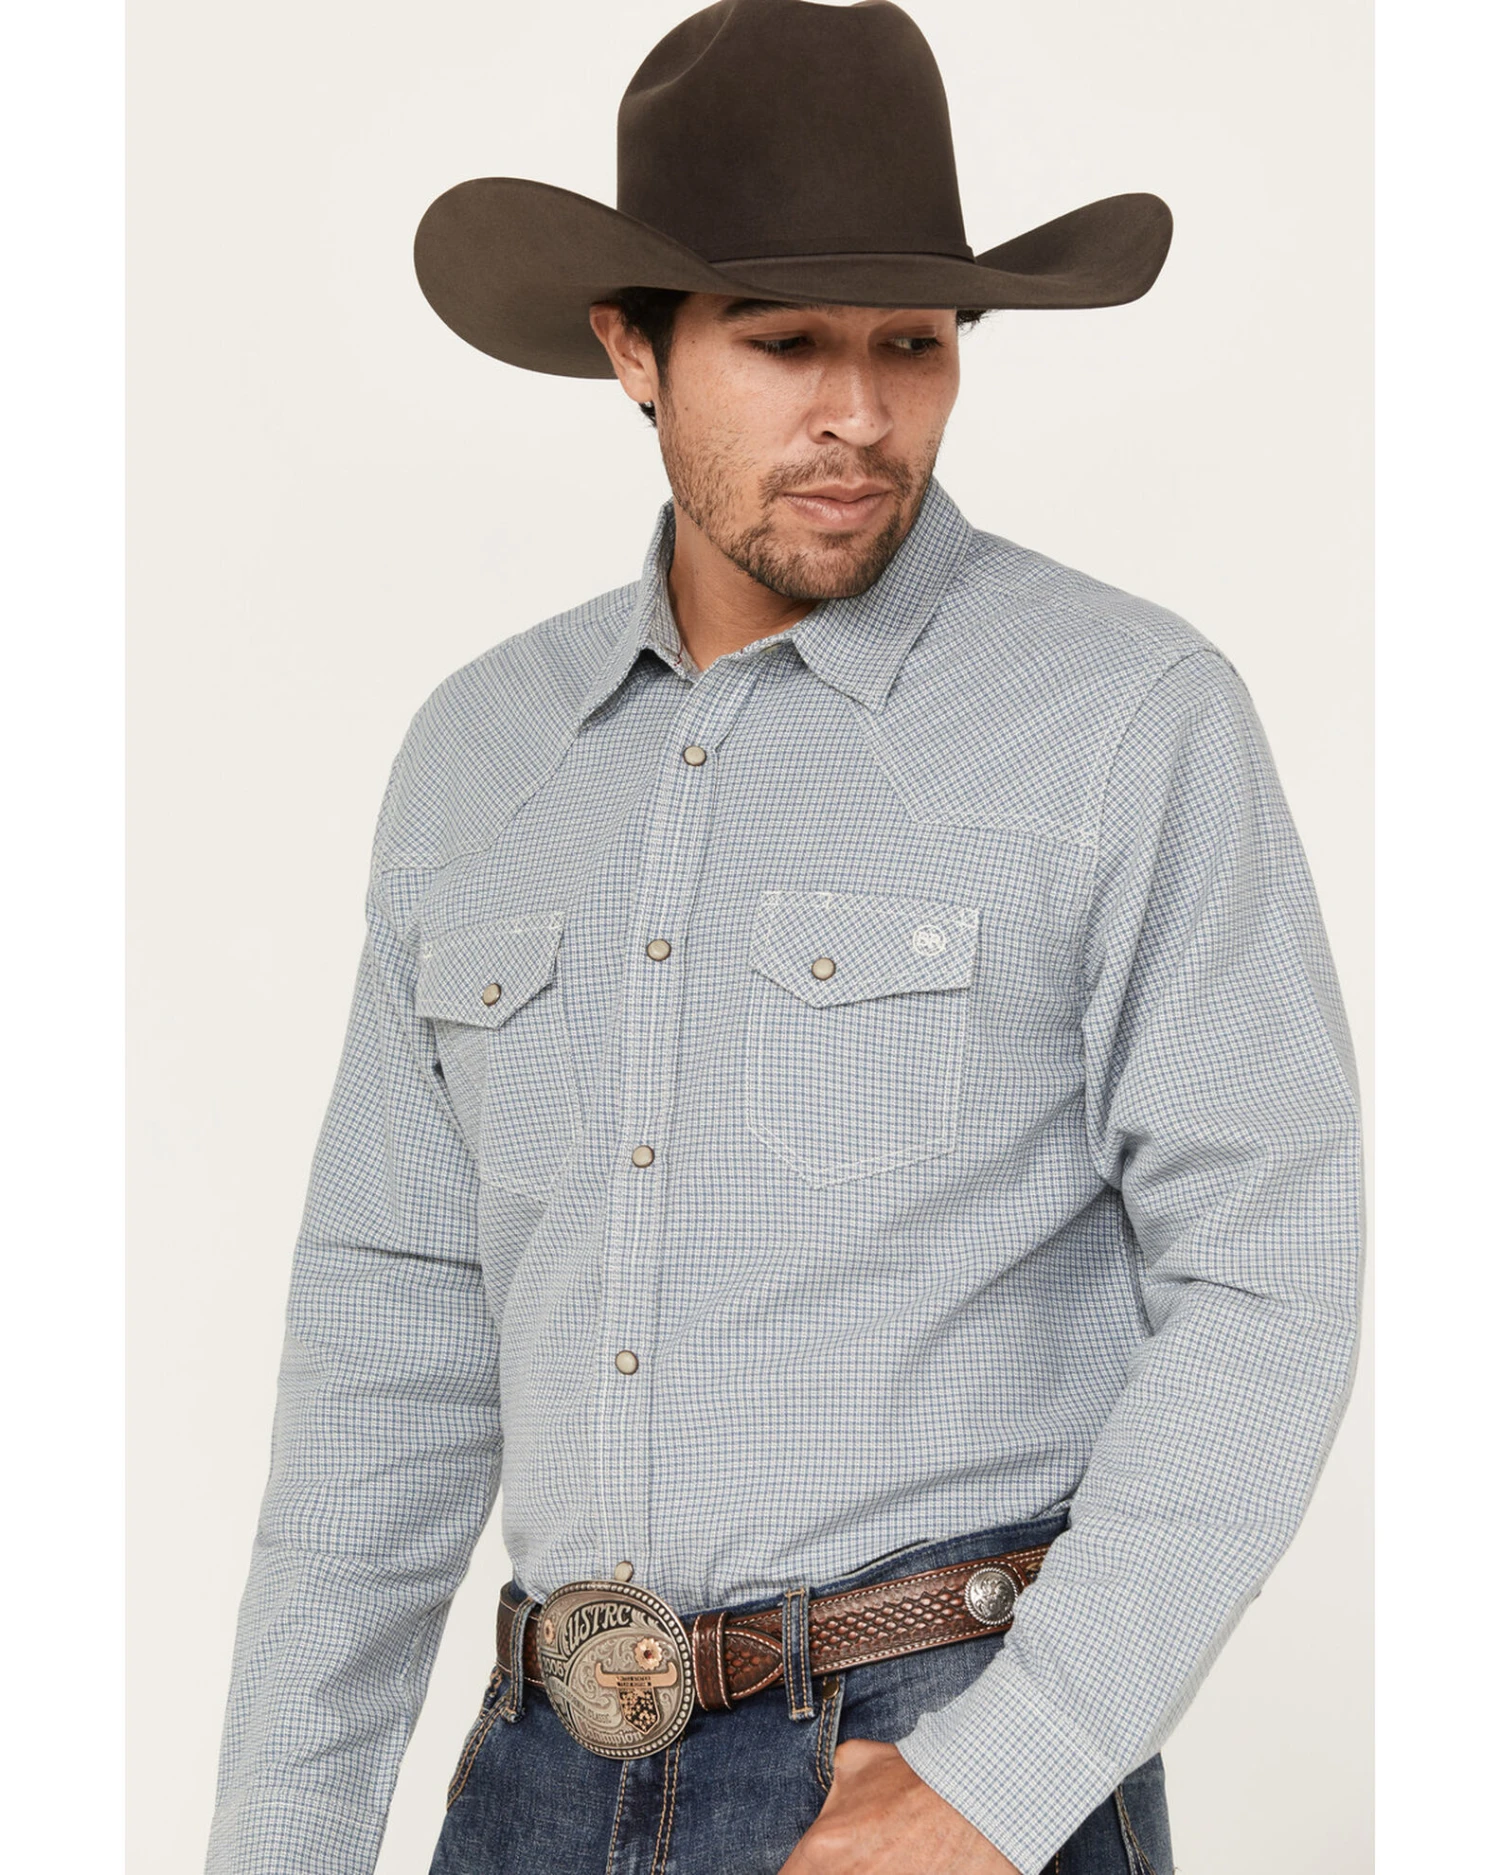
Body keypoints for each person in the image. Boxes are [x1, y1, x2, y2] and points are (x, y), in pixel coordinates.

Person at [206, 3, 1362, 1872]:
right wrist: (282, 1835)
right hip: (535, 1782)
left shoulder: (1125, 717)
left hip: (930, 1759)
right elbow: (385, 1339)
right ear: (633, 348)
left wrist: (1012, 1767)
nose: (860, 415)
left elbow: (1268, 1264)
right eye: (784, 342)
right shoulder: (477, 758)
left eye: (913, 343)